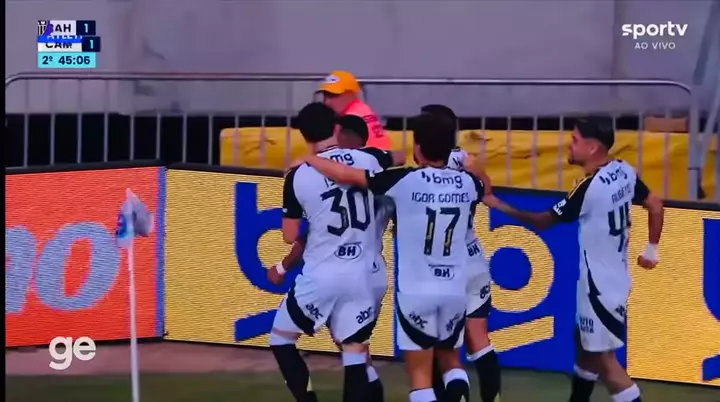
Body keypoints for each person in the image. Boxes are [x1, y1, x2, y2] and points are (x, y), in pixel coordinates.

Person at [295, 112, 487, 402]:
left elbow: (347, 176)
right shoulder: (468, 184)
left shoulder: (404, 180)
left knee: (420, 378)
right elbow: (486, 187)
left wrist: (311, 159)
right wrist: (470, 164)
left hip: (417, 291)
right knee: (451, 362)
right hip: (454, 289)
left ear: (417, 147)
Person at [488, 116, 665, 402]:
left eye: (575, 140)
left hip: (598, 287)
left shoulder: (588, 188)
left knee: (606, 363)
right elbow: (655, 205)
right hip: (614, 278)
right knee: (583, 343)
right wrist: (651, 250)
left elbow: (543, 221)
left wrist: (497, 204)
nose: (569, 146)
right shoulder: (624, 170)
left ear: (592, 147)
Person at [268, 114, 405, 402]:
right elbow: (401, 156)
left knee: (281, 338)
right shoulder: (371, 159)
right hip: (367, 273)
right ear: (336, 128)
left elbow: (290, 235)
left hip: (324, 274)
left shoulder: (299, 173)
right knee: (355, 352)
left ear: (303, 135)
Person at [421, 104, 502, 402]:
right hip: (472, 257)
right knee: (479, 339)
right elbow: (487, 189)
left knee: (441, 348)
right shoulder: (466, 162)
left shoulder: (424, 167)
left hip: (442, 265)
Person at [317, 70, 392, 150]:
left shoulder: (352, 118)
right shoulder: (363, 109)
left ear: (351, 94)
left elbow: (326, 146)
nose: (327, 101)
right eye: (325, 95)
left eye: (333, 95)